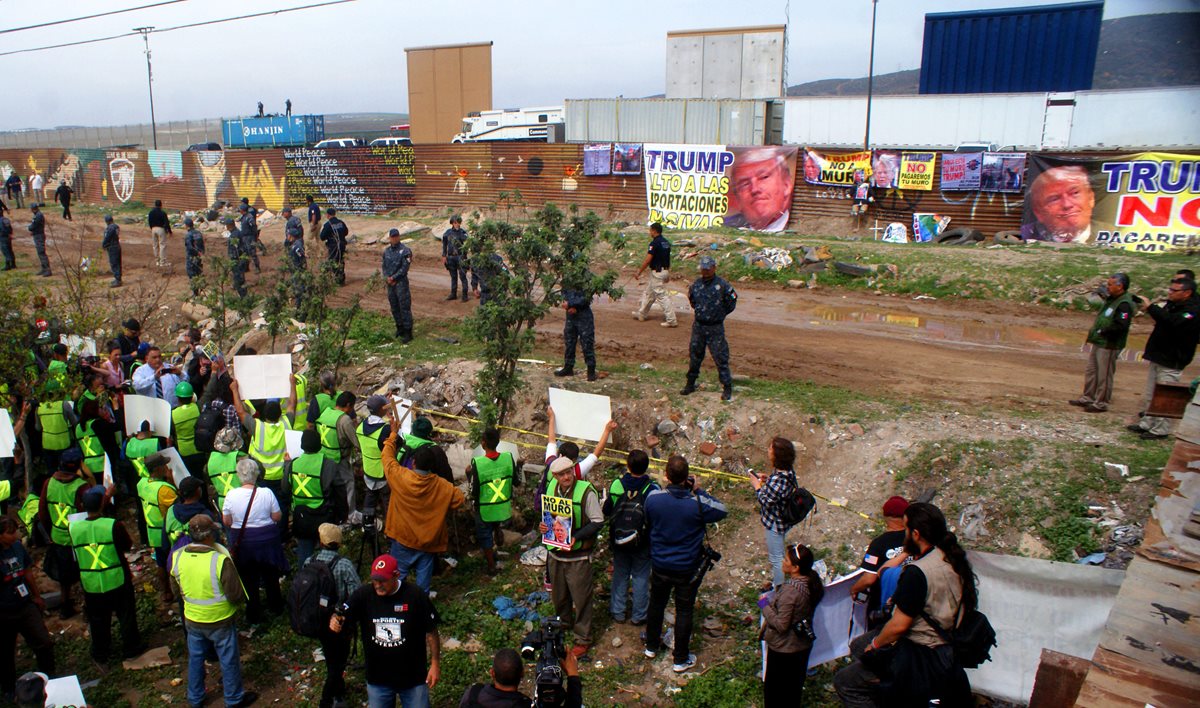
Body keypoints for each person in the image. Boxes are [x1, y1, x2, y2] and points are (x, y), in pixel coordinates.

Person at [834, 502, 975, 707]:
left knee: (845, 681)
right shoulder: (951, 557)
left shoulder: (918, 572)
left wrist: (875, 645)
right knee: (857, 645)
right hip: (945, 639)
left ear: (916, 533)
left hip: (922, 648)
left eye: (907, 528)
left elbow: (898, 626)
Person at [643, 455, 727, 673]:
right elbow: (722, 510)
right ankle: (680, 658)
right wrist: (698, 490)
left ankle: (651, 646)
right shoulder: (696, 504)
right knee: (684, 610)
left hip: (660, 563)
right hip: (687, 568)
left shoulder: (653, 499)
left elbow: (649, 518)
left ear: (667, 476)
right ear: (687, 477)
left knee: (656, 604)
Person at [539, 419, 611, 659]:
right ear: (555, 476)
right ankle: (563, 623)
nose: (566, 477)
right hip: (555, 554)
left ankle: (583, 637)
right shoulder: (551, 489)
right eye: (561, 474)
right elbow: (549, 516)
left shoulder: (586, 491)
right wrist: (543, 526)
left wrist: (575, 537)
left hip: (578, 556)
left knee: (581, 598)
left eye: (569, 472)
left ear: (573, 470)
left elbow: (597, 522)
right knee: (559, 596)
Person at [170, 514, 258, 708]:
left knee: (195, 658)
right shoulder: (219, 560)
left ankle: (195, 698)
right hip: (220, 619)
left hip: (192, 618)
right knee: (228, 659)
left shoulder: (178, 557)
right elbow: (235, 594)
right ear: (210, 535)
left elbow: (176, 590)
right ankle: (234, 698)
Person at [330, 554, 440, 707]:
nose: (378, 585)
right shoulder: (363, 595)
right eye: (375, 580)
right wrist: (336, 619)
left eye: (383, 581)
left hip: (413, 678)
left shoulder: (415, 595)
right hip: (378, 679)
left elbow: (432, 631)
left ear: (396, 575)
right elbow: (343, 613)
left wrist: (435, 664)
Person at [382, 413, 465, 592]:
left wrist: (392, 435)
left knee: (399, 576)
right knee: (423, 583)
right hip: (428, 541)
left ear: (413, 463)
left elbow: (387, 458)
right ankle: (421, 609)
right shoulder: (442, 486)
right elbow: (459, 499)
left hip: (402, 537)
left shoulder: (400, 477)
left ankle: (397, 608)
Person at [69, 485, 144, 666]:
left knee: (98, 619)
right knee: (126, 614)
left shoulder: (74, 528)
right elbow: (126, 545)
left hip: (91, 581)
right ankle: (131, 648)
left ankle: (101, 652)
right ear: (102, 504)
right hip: (116, 577)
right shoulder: (113, 525)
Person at [1129, 277, 1200, 439]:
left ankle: (1161, 429)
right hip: (1159, 354)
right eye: (1170, 289)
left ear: (1187, 293)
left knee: (1166, 395)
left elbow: (1172, 322)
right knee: (1151, 393)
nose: (1170, 293)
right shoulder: (1173, 304)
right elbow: (1164, 321)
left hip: (1173, 358)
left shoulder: (1193, 311)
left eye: (1174, 291)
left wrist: (1152, 308)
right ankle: (1147, 423)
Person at [222, 458, 287, 625]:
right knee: (271, 575)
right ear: (257, 474)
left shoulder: (231, 495)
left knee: (249, 579)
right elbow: (277, 516)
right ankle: (276, 607)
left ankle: (253, 613)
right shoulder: (266, 493)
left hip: (243, 543)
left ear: (239, 475)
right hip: (267, 541)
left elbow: (227, 521)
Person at [760, 543, 823, 706]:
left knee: (775, 692)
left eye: (786, 560)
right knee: (793, 691)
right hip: (802, 645)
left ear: (795, 567)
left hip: (784, 649)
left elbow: (781, 625)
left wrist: (763, 604)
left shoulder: (791, 591)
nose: (782, 561)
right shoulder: (811, 581)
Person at [304, 524, 358, 708]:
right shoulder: (344, 565)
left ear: (321, 541)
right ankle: (327, 700)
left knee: (331, 656)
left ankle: (339, 691)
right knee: (338, 664)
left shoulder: (309, 561)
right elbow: (355, 595)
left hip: (318, 620)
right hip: (339, 621)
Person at [0, 517, 54, 698]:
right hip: (4, 612)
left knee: (43, 642)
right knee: (5, 652)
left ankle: (48, 678)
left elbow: (28, 572)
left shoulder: (18, 547)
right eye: (10, 532)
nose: (16, 534)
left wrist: (36, 596)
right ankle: (9, 688)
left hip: (24, 605)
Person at [603, 449, 658, 625]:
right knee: (641, 576)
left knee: (620, 573)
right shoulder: (652, 489)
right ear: (647, 467)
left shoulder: (616, 485)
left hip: (619, 539)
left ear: (627, 465)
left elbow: (607, 510)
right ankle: (639, 615)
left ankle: (618, 612)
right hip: (642, 541)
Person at [1070, 273, 1136, 413]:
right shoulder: (1113, 299)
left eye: (1111, 285)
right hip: (1099, 342)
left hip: (1109, 344)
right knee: (1092, 370)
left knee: (1104, 374)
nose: (1108, 287)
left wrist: (1104, 331)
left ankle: (1101, 403)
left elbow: (1122, 326)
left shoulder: (1124, 304)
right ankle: (1088, 397)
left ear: (1120, 286)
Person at [38, 447, 89, 618]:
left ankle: (65, 607)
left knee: (64, 579)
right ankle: (88, 609)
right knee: (84, 574)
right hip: (77, 539)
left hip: (58, 537)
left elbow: (43, 512)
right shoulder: (81, 487)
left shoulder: (48, 483)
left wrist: (51, 533)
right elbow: (88, 513)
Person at [285, 430, 348, 567]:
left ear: (302, 446)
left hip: (301, 518)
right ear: (320, 445)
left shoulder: (292, 464)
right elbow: (340, 491)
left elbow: (285, 489)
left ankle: (305, 581)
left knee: (304, 554)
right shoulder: (328, 465)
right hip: (324, 516)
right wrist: (343, 514)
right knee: (326, 555)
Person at [749, 437, 803, 589]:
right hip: (783, 520)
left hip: (775, 523)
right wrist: (767, 479)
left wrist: (757, 486)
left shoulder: (779, 480)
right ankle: (778, 583)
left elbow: (766, 501)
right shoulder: (786, 473)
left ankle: (779, 587)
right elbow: (777, 491)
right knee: (777, 554)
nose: (768, 450)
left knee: (776, 557)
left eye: (770, 449)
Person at [682, 256, 738, 401]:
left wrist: (719, 314)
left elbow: (731, 302)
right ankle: (690, 384)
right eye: (703, 269)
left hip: (715, 328)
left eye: (708, 268)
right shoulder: (696, 285)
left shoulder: (722, 285)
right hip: (699, 327)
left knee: (720, 358)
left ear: (714, 268)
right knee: (695, 356)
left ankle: (727, 387)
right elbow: (692, 300)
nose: (705, 271)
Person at [850, 496, 910, 630]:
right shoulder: (914, 538)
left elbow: (869, 578)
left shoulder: (879, 544)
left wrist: (854, 589)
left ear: (885, 516)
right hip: (911, 599)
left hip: (884, 604)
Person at [466, 427, 517, 576]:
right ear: (498, 442)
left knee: (484, 535)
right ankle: (498, 530)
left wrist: (468, 475)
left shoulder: (478, 463)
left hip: (485, 509)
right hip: (503, 506)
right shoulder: (508, 457)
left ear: (483, 443)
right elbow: (516, 482)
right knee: (493, 518)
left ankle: (491, 566)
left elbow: (474, 492)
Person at [459, 647, 582, 708]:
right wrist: (573, 675)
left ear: (492, 673)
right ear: (522, 674)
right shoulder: (524, 705)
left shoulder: (473, 694)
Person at [723, 148, 794, 232]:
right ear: (738, 200)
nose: (754, 189)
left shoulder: (801, 224)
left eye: (764, 177)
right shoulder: (725, 228)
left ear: (786, 185)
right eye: (745, 184)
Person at [138, 452, 178, 601]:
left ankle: (166, 592)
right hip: (167, 532)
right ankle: (177, 590)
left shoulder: (142, 484)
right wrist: (171, 480)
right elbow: (179, 505)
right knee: (174, 562)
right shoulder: (164, 489)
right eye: (164, 465)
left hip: (152, 532)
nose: (166, 467)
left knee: (160, 562)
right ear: (157, 469)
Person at [315, 391, 360, 518]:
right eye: (352, 407)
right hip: (339, 458)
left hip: (324, 456)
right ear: (348, 405)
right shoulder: (344, 419)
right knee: (348, 485)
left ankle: (333, 513)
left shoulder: (325, 412)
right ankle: (350, 514)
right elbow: (355, 441)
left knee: (330, 487)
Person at [1023, 165, 1096, 243]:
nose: (1067, 204)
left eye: (1074, 193)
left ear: (1091, 198)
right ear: (1038, 213)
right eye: (1054, 199)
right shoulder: (1026, 234)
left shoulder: (1109, 231)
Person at [355, 395, 392, 526]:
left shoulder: (360, 427)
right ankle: (391, 528)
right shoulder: (385, 429)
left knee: (370, 496)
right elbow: (395, 444)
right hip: (383, 473)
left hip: (369, 470)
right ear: (382, 409)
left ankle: (367, 524)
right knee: (388, 500)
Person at [632, 222, 677, 327]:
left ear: (654, 231)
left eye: (650, 230)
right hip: (664, 271)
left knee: (662, 296)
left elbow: (648, 260)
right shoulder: (666, 242)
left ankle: (671, 320)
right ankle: (642, 314)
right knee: (649, 293)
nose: (649, 232)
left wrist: (639, 272)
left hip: (657, 272)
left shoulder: (654, 243)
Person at [555, 278, 597, 381]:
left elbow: (586, 298)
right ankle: (568, 367)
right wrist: (568, 305)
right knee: (569, 342)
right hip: (571, 315)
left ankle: (591, 371)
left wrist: (572, 305)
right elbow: (564, 293)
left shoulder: (586, 278)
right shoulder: (567, 278)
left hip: (584, 316)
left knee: (587, 343)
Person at [398, 416, 455, 484]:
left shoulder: (403, 445)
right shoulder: (436, 451)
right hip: (427, 490)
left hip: (404, 488)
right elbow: (446, 476)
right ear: (429, 432)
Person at [383, 227, 415, 342]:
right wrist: (387, 278)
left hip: (401, 283)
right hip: (390, 284)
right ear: (390, 238)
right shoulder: (387, 251)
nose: (395, 238)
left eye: (396, 236)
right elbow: (384, 266)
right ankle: (399, 328)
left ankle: (408, 332)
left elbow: (405, 268)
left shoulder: (405, 251)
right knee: (394, 307)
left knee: (404, 307)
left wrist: (394, 278)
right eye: (393, 237)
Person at [207, 427, 245, 514]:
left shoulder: (210, 463)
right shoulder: (243, 459)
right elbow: (259, 476)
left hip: (224, 504)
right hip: (245, 500)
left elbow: (211, 488)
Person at [442, 215, 469, 301]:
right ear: (452, 223)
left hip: (460, 256)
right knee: (453, 276)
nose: (457, 224)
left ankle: (465, 295)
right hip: (451, 257)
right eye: (455, 223)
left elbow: (467, 243)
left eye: (458, 222)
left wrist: (465, 256)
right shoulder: (448, 233)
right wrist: (444, 255)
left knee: (463, 276)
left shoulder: (463, 232)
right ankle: (453, 293)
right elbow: (444, 244)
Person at [284, 212, 308, 309]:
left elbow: (301, 257)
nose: (287, 237)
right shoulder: (295, 244)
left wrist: (301, 267)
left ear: (292, 236)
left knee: (298, 286)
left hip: (297, 269)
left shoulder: (296, 246)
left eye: (288, 235)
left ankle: (299, 305)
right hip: (295, 268)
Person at [319, 207, 349, 286]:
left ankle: (335, 280)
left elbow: (322, 237)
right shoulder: (341, 222)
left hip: (333, 246)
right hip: (342, 245)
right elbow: (346, 232)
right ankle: (341, 279)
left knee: (333, 261)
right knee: (340, 260)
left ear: (328, 215)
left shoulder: (328, 224)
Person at [224, 216, 251, 297]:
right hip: (241, 259)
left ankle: (243, 298)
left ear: (229, 225)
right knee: (240, 280)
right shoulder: (238, 232)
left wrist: (233, 261)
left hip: (237, 261)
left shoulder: (234, 235)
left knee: (239, 280)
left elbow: (235, 250)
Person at [238, 202, 262, 274]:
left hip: (249, 237)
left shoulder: (249, 217)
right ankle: (246, 267)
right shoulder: (243, 217)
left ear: (243, 210)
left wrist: (255, 237)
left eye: (240, 209)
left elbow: (254, 227)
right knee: (245, 252)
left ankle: (257, 268)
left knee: (252, 253)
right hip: (244, 237)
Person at [147, 199, 171, 267]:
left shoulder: (151, 212)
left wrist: (152, 228)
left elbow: (149, 221)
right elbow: (166, 223)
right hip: (161, 229)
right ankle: (162, 262)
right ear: (161, 205)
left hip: (153, 229)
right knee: (162, 245)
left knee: (155, 245)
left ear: (155, 205)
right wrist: (169, 231)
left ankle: (157, 261)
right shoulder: (162, 213)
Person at [183, 217, 204, 294]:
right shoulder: (198, 233)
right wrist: (201, 253)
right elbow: (202, 244)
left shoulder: (188, 235)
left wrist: (196, 252)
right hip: (199, 257)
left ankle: (195, 293)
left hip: (191, 257)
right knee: (199, 272)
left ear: (187, 225)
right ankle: (202, 290)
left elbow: (189, 247)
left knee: (192, 274)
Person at [27, 204, 50, 277]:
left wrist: (30, 228)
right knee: (40, 253)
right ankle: (44, 268)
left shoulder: (38, 216)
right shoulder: (37, 215)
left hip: (39, 235)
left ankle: (47, 270)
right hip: (37, 234)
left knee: (41, 252)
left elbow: (33, 225)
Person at [100, 214, 122, 287]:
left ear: (107, 221)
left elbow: (107, 237)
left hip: (112, 247)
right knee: (118, 263)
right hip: (117, 245)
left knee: (114, 263)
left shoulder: (110, 228)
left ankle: (117, 280)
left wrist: (103, 244)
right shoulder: (116, 226)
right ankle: (118, 278)